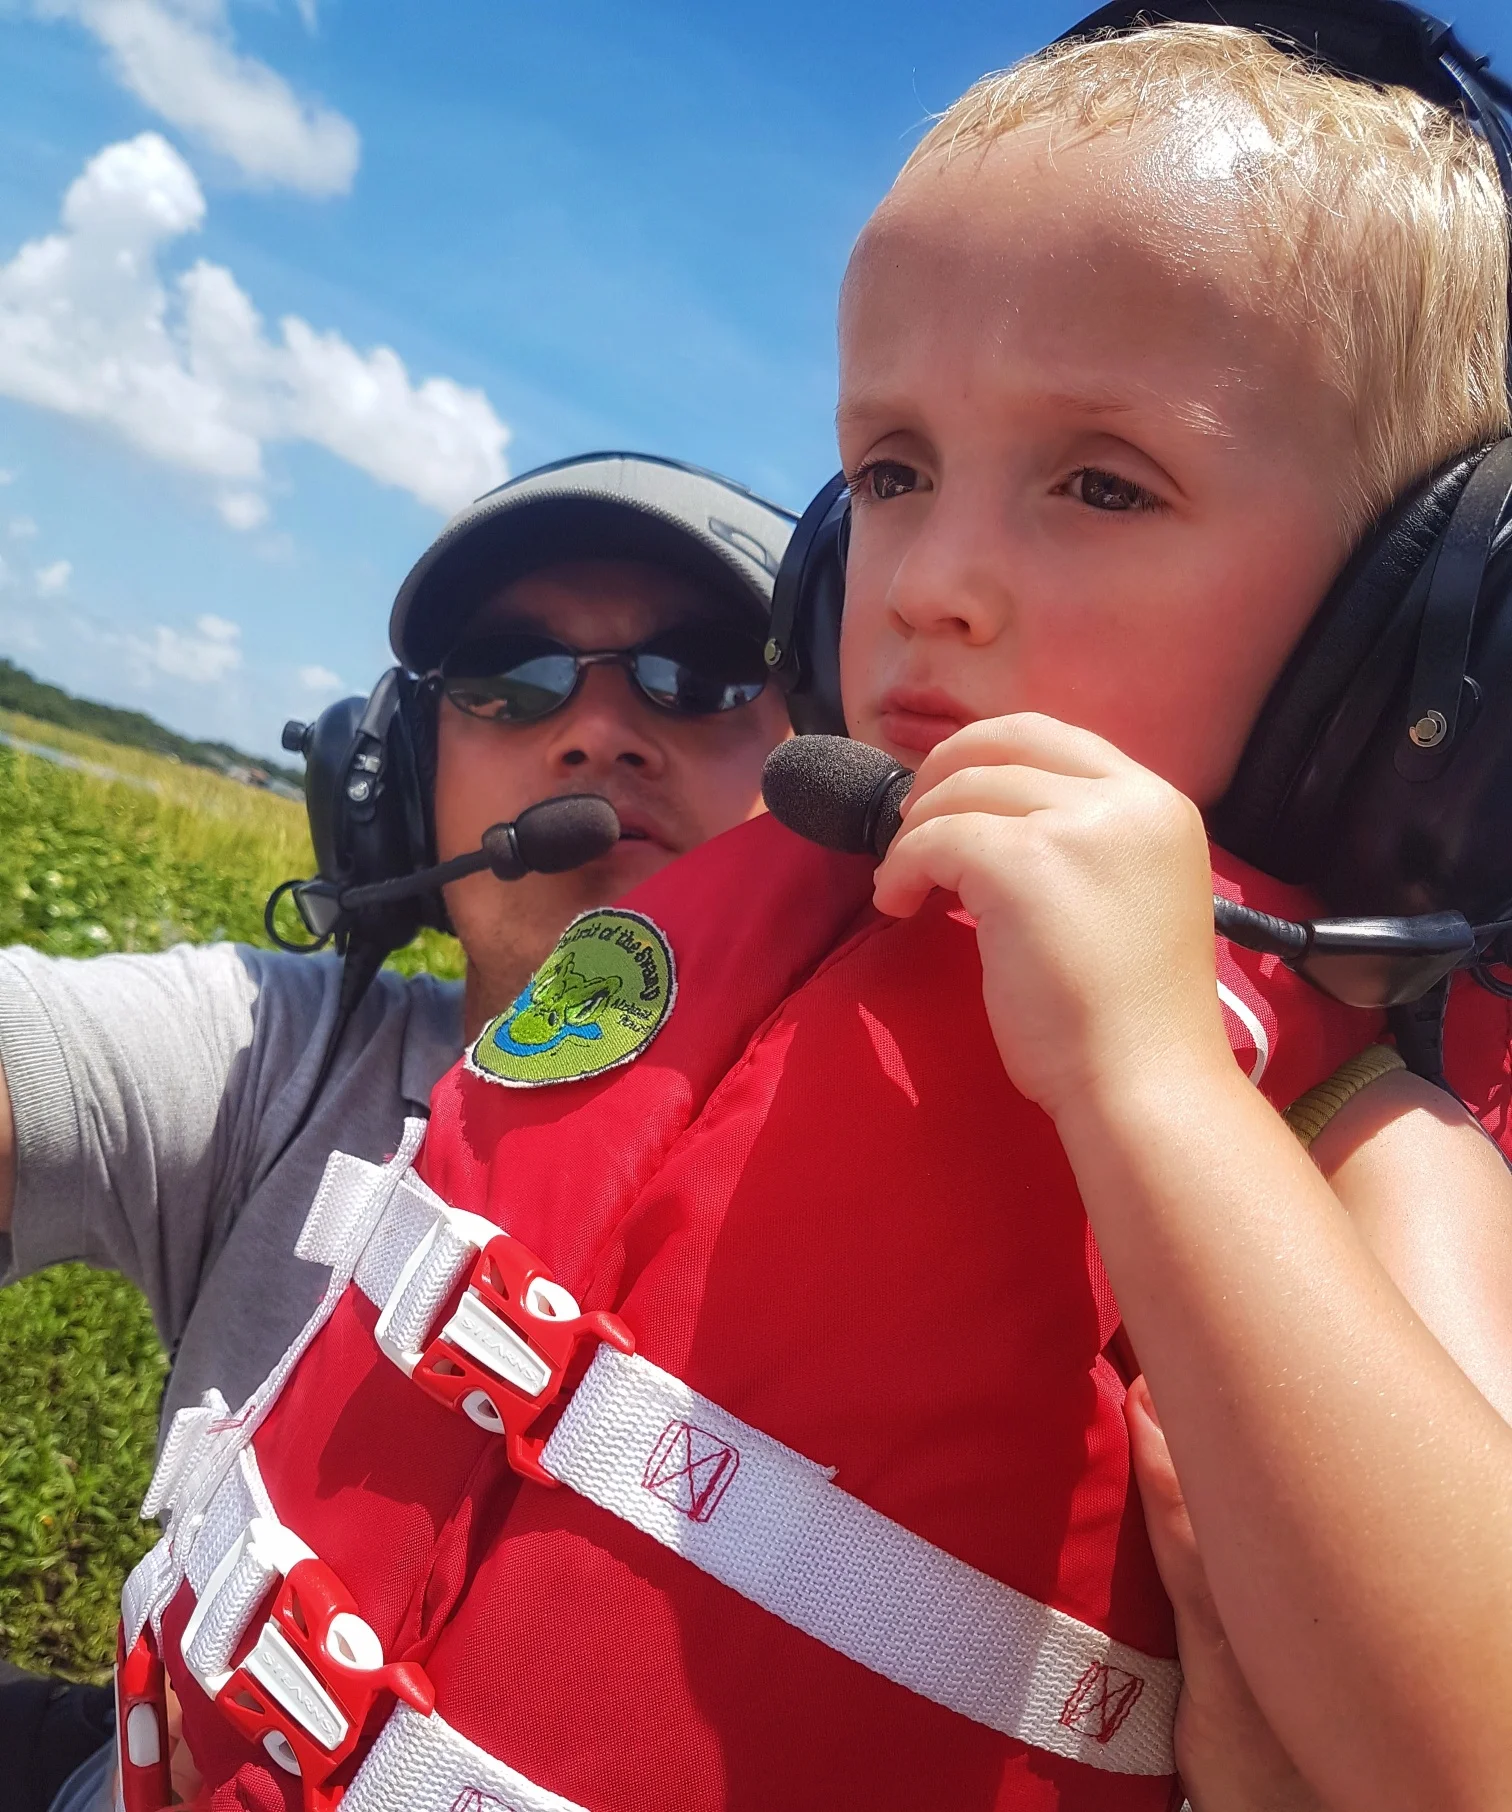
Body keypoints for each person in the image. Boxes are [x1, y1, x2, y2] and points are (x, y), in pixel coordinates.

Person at [117, 24, 1512, 1812]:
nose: (932, 584)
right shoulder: (748, 930)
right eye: (897, 473)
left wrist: (1153, 1084)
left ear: (1408, 638)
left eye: (1103, 483)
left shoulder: (1351, 1140)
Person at [0, 451, 796, 1812]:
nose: (597, 731)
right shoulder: (290, 1055)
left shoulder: (952, 1193)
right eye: (511, 673)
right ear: (403, 778)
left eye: (706, 669)